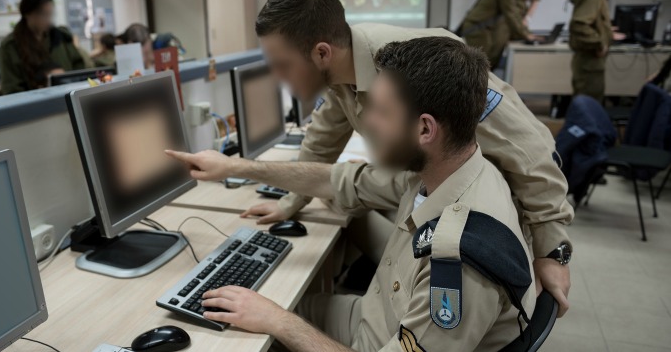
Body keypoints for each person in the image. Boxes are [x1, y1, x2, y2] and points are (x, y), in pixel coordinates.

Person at [166, 37, 537, 351]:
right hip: (374, 314)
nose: (367, 122)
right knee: (259, 310)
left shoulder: (459, 263)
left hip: (379, 340)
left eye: (380, 111)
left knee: (248, 332)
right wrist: (238, 168)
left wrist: (278, 321)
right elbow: (339, 180)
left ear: (425, 128)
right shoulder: (446, 168)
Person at [244, 0, 573, 316]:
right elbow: (322, 139)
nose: (278, 76)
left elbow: (525, 147)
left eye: (283, 65)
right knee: (342, 203)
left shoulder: (417, 61)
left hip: (482, 215)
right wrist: (290, 202)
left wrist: (552, 250)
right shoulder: (341, 71)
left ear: (321, 52)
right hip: (432, 192)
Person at [0, 0, 87, 94]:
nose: (48, 20)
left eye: (50, 14)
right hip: (33, 104)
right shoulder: (10, 46)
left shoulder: (60, 37)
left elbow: (79, 67)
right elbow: (11, 88)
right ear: (28, 14)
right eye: (43, 14)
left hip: (67, 96)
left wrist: (68, 81)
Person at [461, 0, 541, 69]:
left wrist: (527, 33)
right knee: (480, 65)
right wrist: (526, 35)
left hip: (486, 28)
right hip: (477, 28)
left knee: (488, 64)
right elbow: (511, 15)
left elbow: (516, 16)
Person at [569, 0, 626, 102]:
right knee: (588, 107)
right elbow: (579, 25)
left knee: (588, 106)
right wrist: (601, 43)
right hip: (589, 64)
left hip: (590, 64)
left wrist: (607, 32)